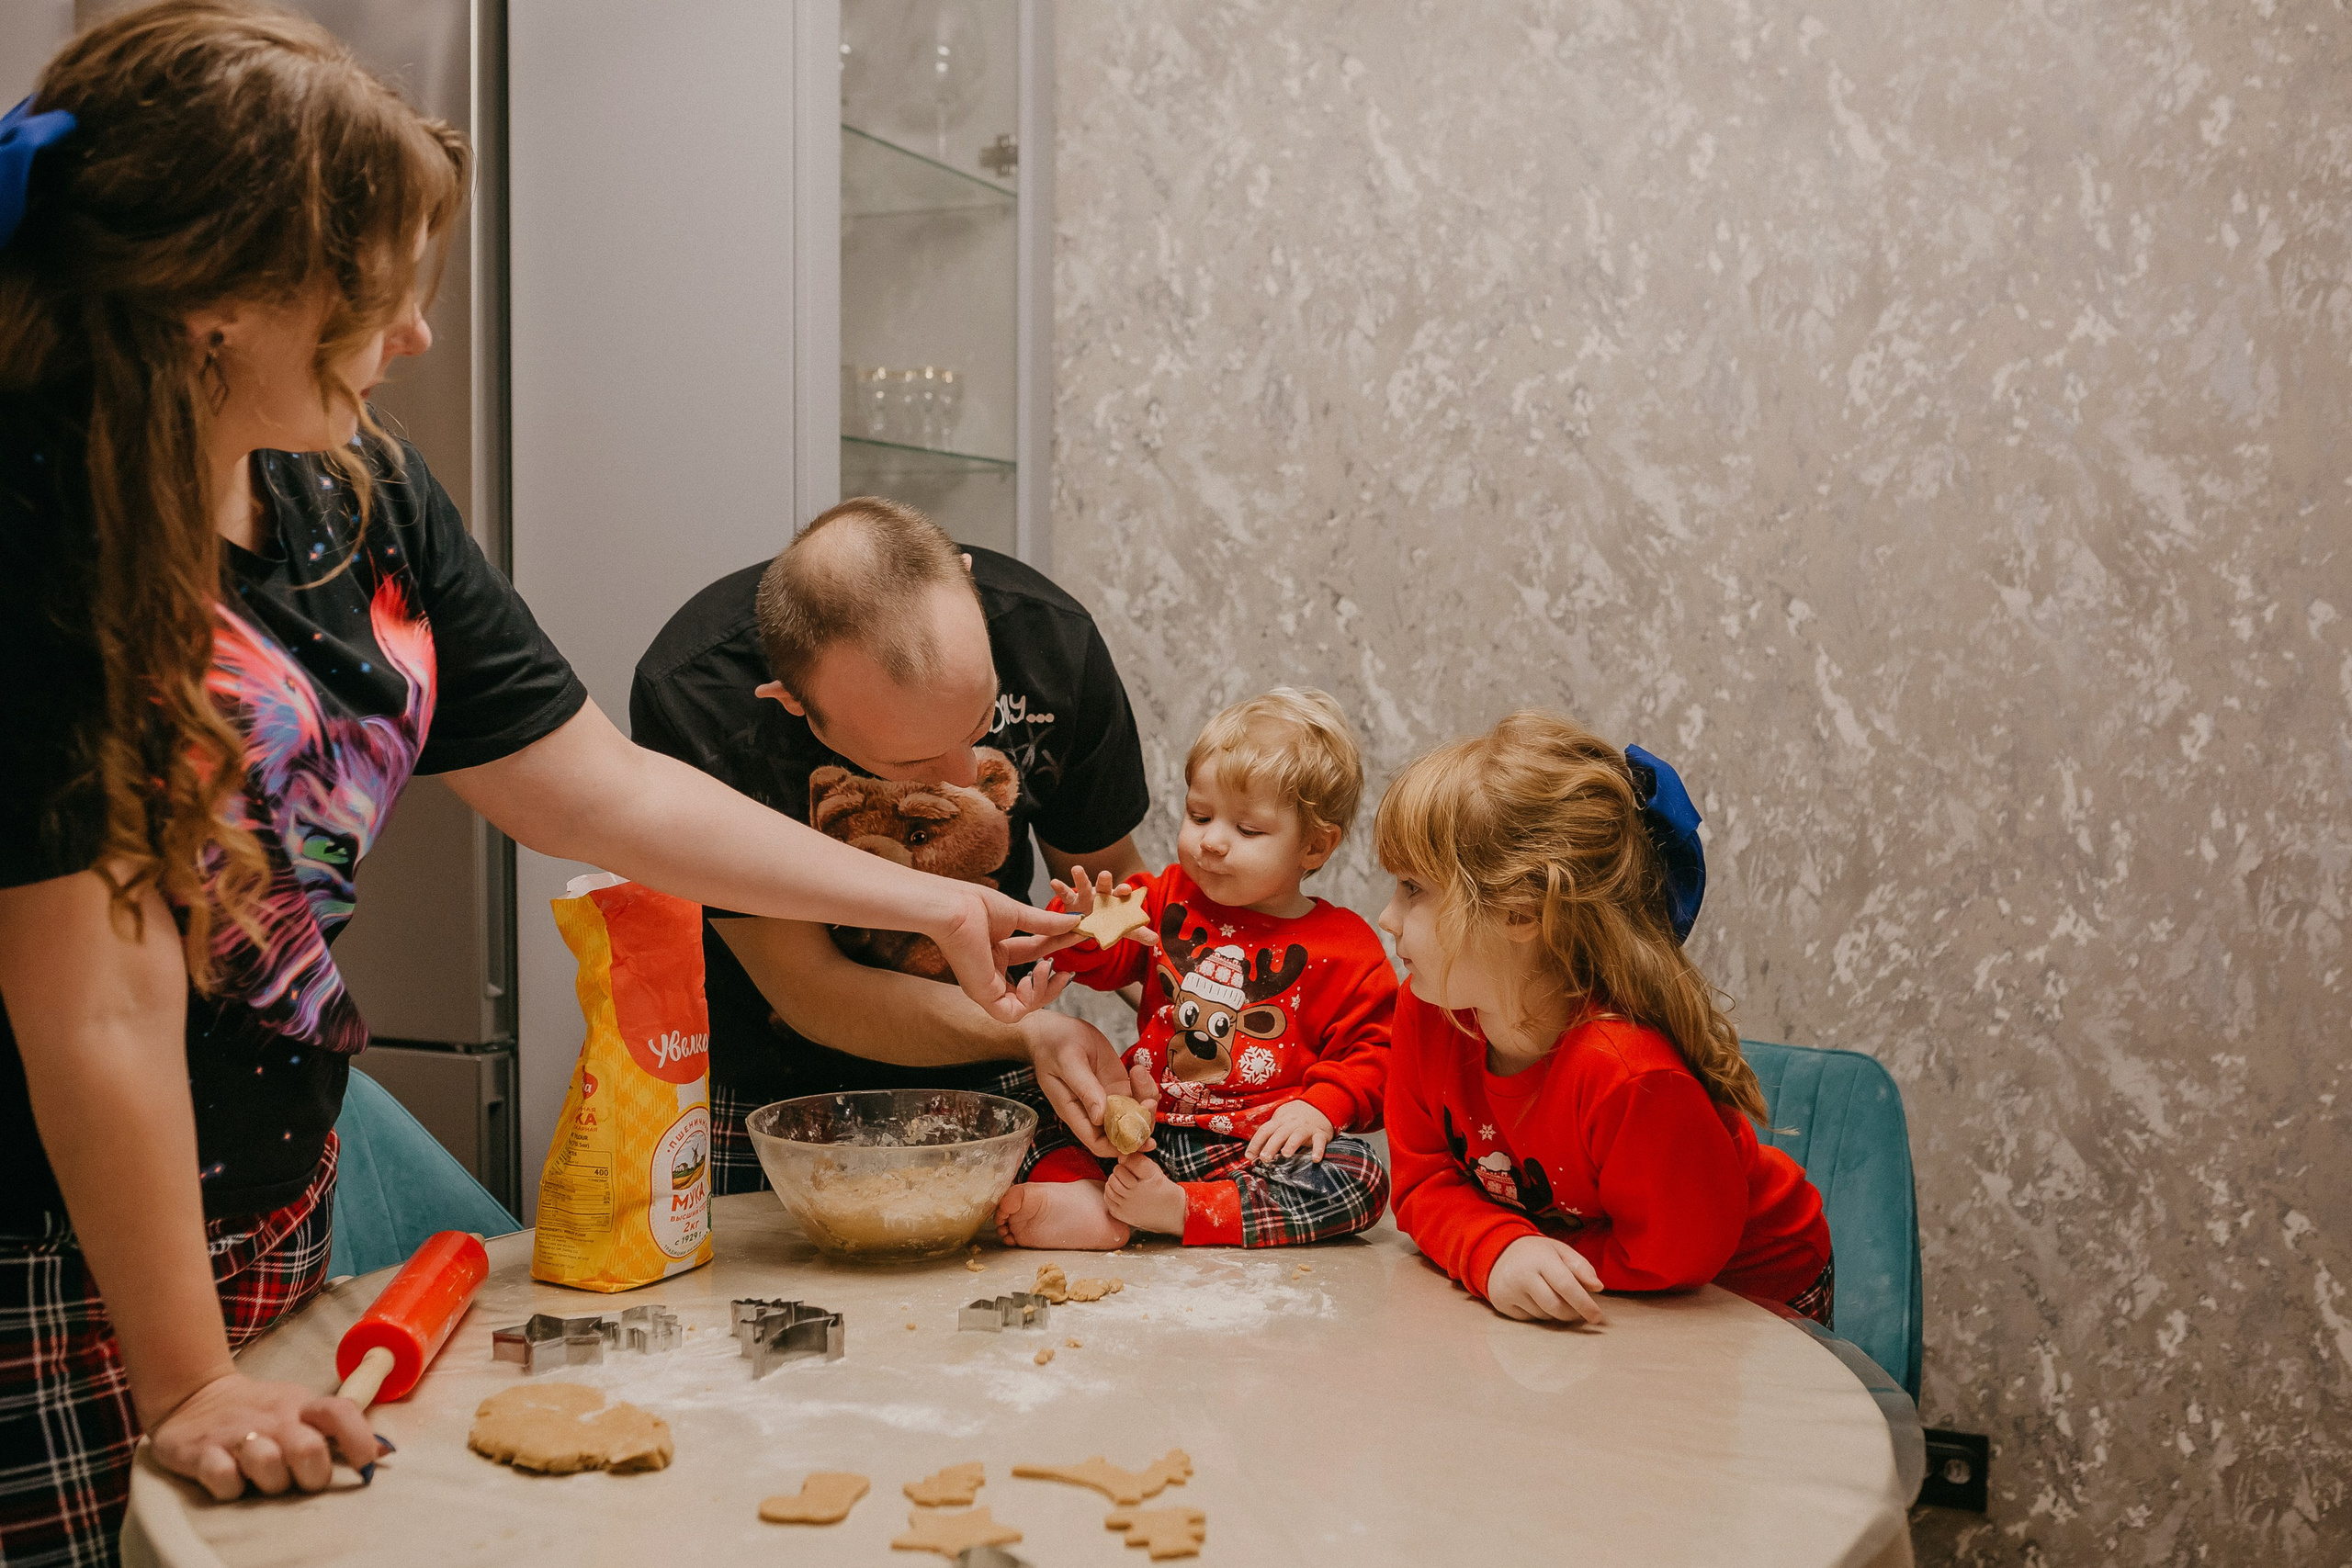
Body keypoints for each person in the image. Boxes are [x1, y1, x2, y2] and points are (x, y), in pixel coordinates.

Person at [0, 6, 1070, 1556]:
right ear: (219, 300)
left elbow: (595, 788)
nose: (417, 334)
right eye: (375, 289)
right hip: (58, 1242)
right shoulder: (40, 537)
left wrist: (928, 904)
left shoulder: (358, 492)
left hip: (264, 1196)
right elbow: (95, 1000)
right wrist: (187, 1379)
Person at [630, 500, 1157, 1192]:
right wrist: (1029, 1032)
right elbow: (809, 985)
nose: (964, 776)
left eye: (979, 723)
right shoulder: (698, 696)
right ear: (792, 702)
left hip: (994, 1071)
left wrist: (1198, 1013)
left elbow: (1113, 886)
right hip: (765, 1089)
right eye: (910, 762)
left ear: (967, 583)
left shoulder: (1051, 639)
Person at [1373, 711, 1832, 1325]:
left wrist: (1521, 1252)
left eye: (1412, 888)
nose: (1386, 917)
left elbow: (1673, 1258)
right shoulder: (1429, 1010)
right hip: (1613, 1281)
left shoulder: (1628, 1074)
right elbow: (1422, 1181)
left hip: (1739, 1292)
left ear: (1521, 912)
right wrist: (1496, 1249)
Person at [997, 689, 1396, 1250]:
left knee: (1359, 1176)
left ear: (1314, 846)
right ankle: (1092, 1195)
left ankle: (1178, 1210)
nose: (1211, 841)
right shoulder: (1166, 896)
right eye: (1199, 815)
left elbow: (1379, 1054)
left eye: (1248, 830)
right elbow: (1101, 962)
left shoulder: (1347, 949)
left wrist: (1321, 1108)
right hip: (1141, 1126)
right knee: (1020, 1109)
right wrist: (1084, 922)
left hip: (1251, 1148)